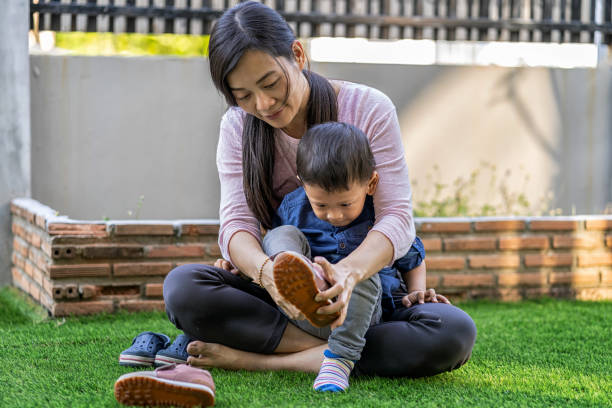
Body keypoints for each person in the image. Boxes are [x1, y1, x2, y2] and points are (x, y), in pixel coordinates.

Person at [163, 0, 476, 381]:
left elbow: (396, 217)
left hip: (369, 293)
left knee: (453, 333)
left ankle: (261, 358)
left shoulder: (369, 109)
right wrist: (268, 276)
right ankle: (338, 352)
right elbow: (236, 225)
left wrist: (346, 276)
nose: (262, 104)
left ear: (297, 54)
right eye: (243, 96)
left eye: (270, 83)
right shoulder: (237, 128)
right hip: (285, 299)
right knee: (183, 288)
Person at [265, 121, 435, 391]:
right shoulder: (294, 206)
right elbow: (274, 235)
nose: (334, 215)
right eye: (320, 204)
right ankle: (294, 269)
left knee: (363, 276)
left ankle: (339, 360)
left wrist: (417, 295)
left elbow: (413, 255)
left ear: (371, 183)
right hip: (307, 307)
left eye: (345, 204)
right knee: (280, 233)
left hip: (363, 315)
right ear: (303, 185)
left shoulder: (381, 215)